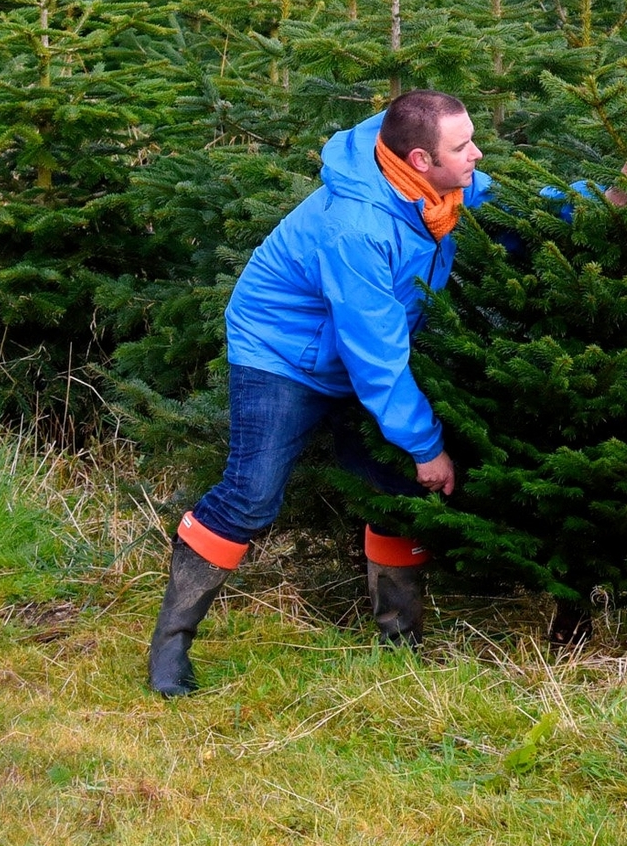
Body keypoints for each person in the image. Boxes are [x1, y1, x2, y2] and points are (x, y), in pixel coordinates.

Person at [149, 89, 492, 696]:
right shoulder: (356, 228)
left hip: (355, 351)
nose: (476, 154)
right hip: (282, 353)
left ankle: (400, 643)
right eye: (462, 146)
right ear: (419, 158)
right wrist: (426, 444)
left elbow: (505, 206)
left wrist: (606, 200)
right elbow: (377, 358)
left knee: (389, 489)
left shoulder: (438, 186)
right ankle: (169, 648)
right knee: (251, 497)